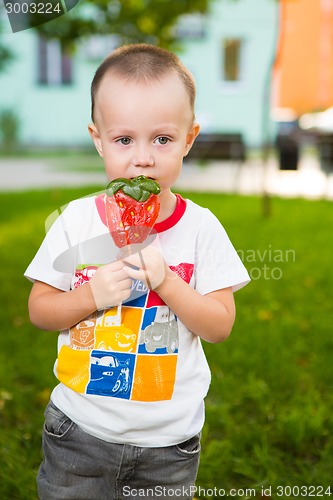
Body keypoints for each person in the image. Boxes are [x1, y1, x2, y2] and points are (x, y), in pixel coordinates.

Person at [25, 43, 250, 500]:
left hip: (169, 443)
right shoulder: (76, 221)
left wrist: (168, 282)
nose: (142, 159)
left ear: (189, 139)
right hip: (80, 431)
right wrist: (90, 296)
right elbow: (40, 311)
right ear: (98, 138)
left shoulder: (201, 228)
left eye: (163, 139)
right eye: (124, 140)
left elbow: (220, 325)